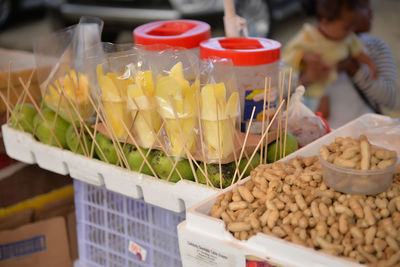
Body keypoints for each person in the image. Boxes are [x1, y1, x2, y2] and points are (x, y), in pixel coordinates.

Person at [299, 0, 399, 128]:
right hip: (327, 139)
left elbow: (390, 99)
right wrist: (307, 78)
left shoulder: (374, 47)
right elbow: (283, 96)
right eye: (362, 6)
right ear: (329, 17)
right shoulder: (306, 50)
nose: (370, 12)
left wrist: (354, 68)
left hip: (369, 131)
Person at [283, 0, 377, 113]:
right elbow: (289, 52)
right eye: (346, 28)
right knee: (317, 111)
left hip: (328, 85)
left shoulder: (348, 38)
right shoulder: (309, 36)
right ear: (326, 22)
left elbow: (357, 51)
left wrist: (370, 64)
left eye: (353, 26)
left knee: (323, 111)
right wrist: (303, 56)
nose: (351, 31)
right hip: (311, 88)